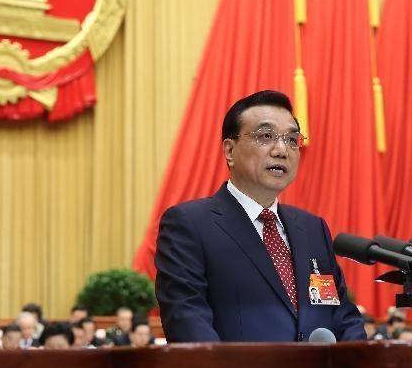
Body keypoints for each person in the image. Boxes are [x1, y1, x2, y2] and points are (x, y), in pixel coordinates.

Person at [155, 90, 365, 342]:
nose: (281, 150)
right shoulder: (190, 224)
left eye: (291, 139)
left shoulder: (312, 228)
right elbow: (187, 322)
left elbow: (342, 317)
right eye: (266, 136)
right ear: (230, 151)